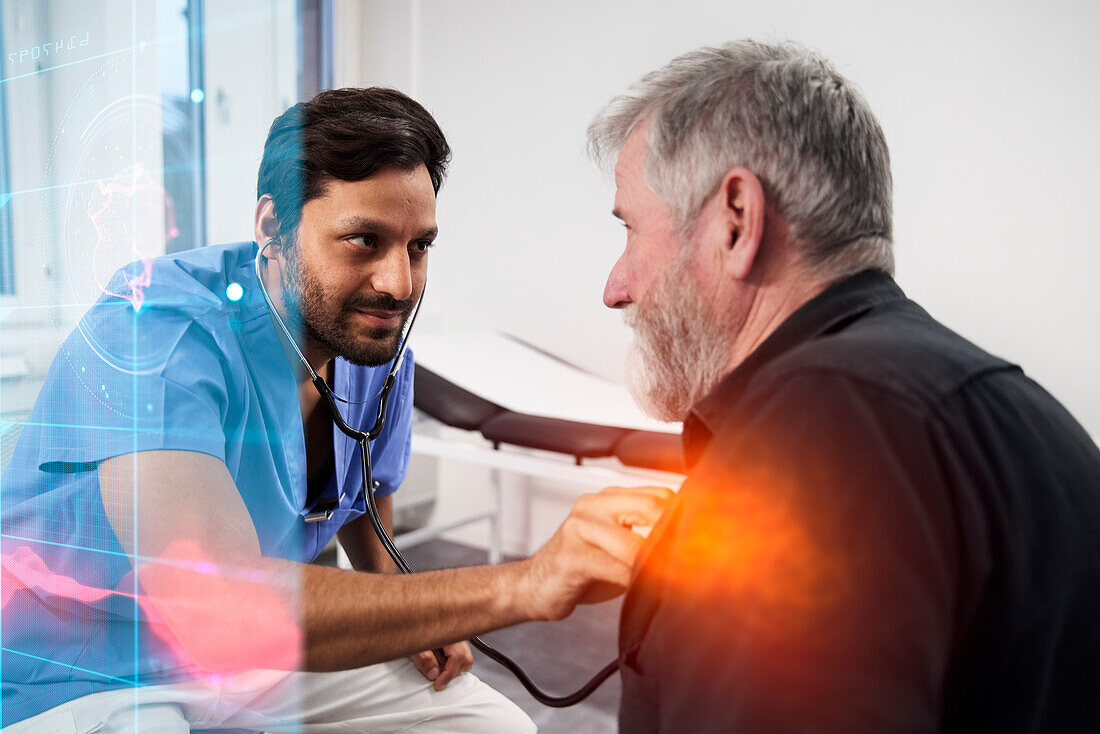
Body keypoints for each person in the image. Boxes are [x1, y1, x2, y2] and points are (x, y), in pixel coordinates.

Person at [0, 87, 670, 733]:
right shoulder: (151, 333)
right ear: (273, 227)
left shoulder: (370, 345)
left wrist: (413, 618)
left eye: (419, 246)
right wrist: (524, 584)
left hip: (250, 663)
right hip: (85, 668)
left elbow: (362, 502)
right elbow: (214, 605)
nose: (398, 284)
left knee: (491, 724)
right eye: (363, 241)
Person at [587, 40, 1100, 733]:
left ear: (736, 220)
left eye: (630, 231)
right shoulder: (1012, 409)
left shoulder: (810, 443)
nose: (616, 289)